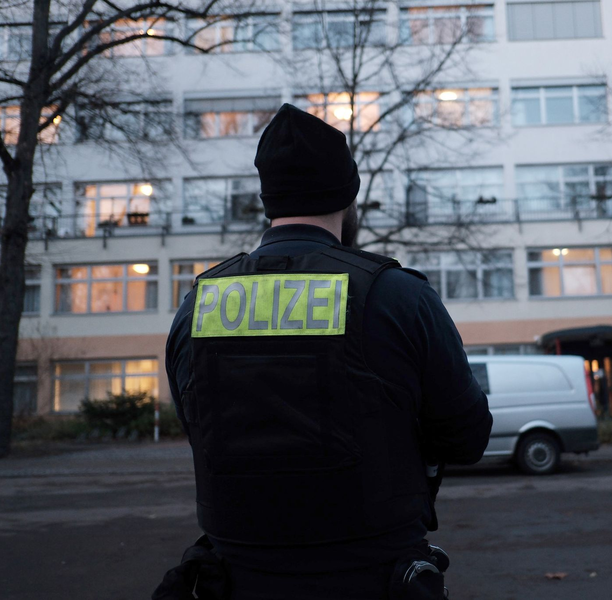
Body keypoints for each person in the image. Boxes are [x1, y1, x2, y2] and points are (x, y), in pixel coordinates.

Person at [161, 104, 493, 600]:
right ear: (348, 196)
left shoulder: (198, 305)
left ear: (267, 200)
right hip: (374, 577)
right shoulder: (396, 296)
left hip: (235, 580)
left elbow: (199, 429)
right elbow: (467, 437)